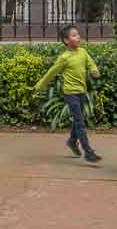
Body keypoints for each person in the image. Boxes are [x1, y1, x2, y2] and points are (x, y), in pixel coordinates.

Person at [34, 25, 102, 163]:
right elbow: (52, 72)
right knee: (80, 122)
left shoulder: (83, 52)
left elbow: (91, 64)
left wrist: (95, 70)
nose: (78, 37)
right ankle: (88, 152)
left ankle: (72, 141)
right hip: (70, 93)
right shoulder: (64, 57)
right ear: (66, 40)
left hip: (82, 92)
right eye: (74, 35)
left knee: (79, 120)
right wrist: (40, 85)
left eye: (78, 35)